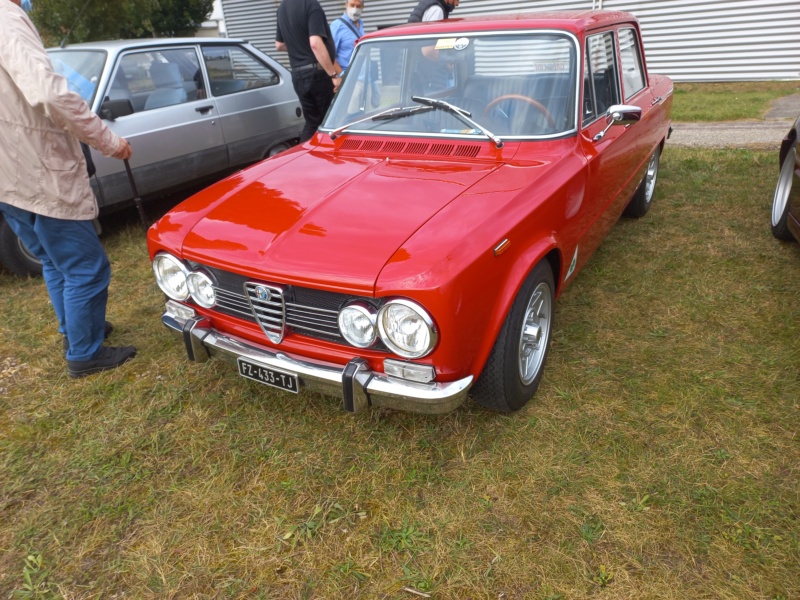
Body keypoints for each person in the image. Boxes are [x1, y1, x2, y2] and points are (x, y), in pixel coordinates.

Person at [0, 0, 137, 378]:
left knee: (53, 260)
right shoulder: (6, 16)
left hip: (10, 178)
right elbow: (49, 94)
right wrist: (107, 140)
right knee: (87, 268)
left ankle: (76, 332)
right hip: (37, 171)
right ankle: (85, 354)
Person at [275, 0, 343, 143]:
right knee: (331, 122)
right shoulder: (311, 5)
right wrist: (334, 75)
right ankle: (331, 161)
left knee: (312, 122)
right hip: (317, 75)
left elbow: (279, 45)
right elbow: (315, 44)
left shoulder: (282, 8)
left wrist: (298, 46)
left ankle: (305, 158)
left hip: (298, 75)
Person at [330, 0, 364, 75]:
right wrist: (342, 76)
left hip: (365, 77)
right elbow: (330, 56)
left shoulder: (361, 24)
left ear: (363, 7)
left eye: (358, 6)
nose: (355, 9)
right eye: (352, 5)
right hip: (349, 78)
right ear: (346, 5)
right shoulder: (337, 26)